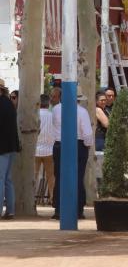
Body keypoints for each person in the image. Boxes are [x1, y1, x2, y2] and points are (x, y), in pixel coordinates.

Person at [51, 91, 93, 220]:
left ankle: (59, 208)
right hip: (78, 144)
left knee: (60, 176)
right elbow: (87, 133)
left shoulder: (56, 109)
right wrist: (88, 144)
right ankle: (78, 209)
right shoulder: (82, 111)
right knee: (78, 177)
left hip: (60, 144)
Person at [0, 79, 20, 219]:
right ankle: (11, 210)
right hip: (11, 146)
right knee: (7, 180)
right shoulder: (9, 103)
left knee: (1, 179)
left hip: (2, 148)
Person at [36, 94, 56, 206]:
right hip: (50, 150)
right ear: (48, 103)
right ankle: (52, 198)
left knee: (34, 176)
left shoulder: (36, 114)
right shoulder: (52, 115)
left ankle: (32, 199)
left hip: (36, 150)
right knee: (51, 177)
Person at [95, 92, 110, 193]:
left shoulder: (106, 110)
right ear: (96, 101)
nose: (104, 101)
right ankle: (101, 190)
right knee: (101, 167)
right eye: (101, 100)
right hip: (100, 140)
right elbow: (107, 124)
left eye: (105, 99)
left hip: (104, 139)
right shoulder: (98, 110)